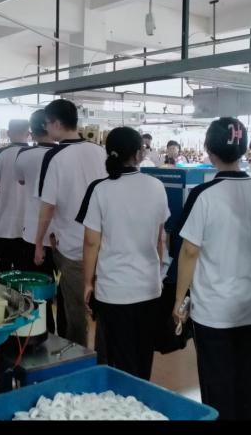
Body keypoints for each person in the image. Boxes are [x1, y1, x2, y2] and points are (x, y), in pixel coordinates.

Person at [172, 118, 251, 420]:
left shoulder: (204, 195)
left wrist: (179, 301)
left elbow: (190, 251)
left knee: (217, 384)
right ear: (244, 150)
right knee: (246, 380)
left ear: (208, 149)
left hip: (213, 309)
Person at [78, 127, 169, 379]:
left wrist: (87, 283)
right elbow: (159, 239)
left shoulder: (101, 189)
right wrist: (158, 274)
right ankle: (141, 398)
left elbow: (91, 243)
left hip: (113, 289)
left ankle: (126, 399)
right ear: (139, 154)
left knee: (120, 358)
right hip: (148, 286)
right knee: (143, 356)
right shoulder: (156, 186)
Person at [35, 99, 107, 347]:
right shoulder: (100, 151)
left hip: (73, 248)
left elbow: (47, 205)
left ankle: (76, 358)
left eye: (46, 124)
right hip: (103, 246)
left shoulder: (54, 156)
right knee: (102, 311)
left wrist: (38, 242)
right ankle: (102, 358)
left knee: (76, 313)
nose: (46, 128)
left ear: (56, 123)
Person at [14, 110, 57, 333]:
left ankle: (35, 331)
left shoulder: (24, 155)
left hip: (33, 233)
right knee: (63, 293)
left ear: (32, 131)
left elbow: (21, 180)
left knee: (33, 290)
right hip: (64, 235)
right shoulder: (63, 154)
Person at [0, 119, 29, 277]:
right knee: (24, 274)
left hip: (3, 225)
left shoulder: (2, 154)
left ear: (9, 133)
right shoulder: (35, 154)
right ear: (29, 134)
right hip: (29, 228)